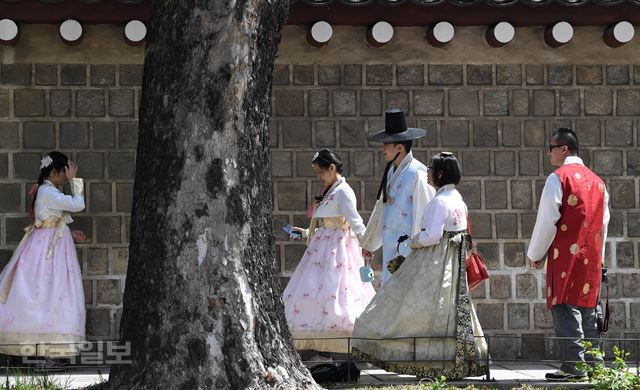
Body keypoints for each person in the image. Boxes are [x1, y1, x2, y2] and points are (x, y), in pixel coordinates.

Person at [351, 152, 488, 379]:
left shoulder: (439, 201)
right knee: (451, 310)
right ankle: (456, 360)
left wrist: (414, 241)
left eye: (431, 169)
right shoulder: (458, 200)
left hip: (434, 262)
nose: (427, 173)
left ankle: (423, 359)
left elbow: (432, 236)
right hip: (454, 265)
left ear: (440, 174)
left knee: (410, 305)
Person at [527, 127, 610, 381]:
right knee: (587, 307)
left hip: (565, 255)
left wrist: (536, 253)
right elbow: (604, 224)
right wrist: (602, 258)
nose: (549, 153)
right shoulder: (598, 182)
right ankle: (594, 365)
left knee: (564, 305)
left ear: (564, 148)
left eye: (552, 148)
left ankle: (574, 366)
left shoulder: (558, 178)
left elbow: (547, 220)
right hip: (592, 257)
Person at [282, 149, 376, 353]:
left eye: (320, 171)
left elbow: (355, 221)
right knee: (314, 290)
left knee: (337, 292)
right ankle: (318, 344)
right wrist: (306, 232)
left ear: (332, 168)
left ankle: (340, 342)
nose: (318, 176)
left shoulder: (343, 191)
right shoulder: (331, 190)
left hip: (337, 251)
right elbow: (324, 223)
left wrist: (367, 244)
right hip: (321, 249)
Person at [0, 151, 87, 362]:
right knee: (49, 292)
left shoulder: (48, 190)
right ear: (54, 172)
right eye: (64, 176)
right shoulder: (48, 191)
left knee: (48, 293)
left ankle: (43, 349)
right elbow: (78, 205)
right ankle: (42, 350)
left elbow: (54, 218)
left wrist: (69, 232)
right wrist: (76, 181)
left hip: (51, 244)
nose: (65, 181)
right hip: (48, 251)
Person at [360, 109, 435, 284]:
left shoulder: (417, 173)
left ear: (399, 147)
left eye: (386, 144)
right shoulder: (390, 171)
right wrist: (370, 243)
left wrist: (418, 251)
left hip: (409, 249)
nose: (382, 149)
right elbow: (382, 209)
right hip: (391, 246)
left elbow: (423, 217)